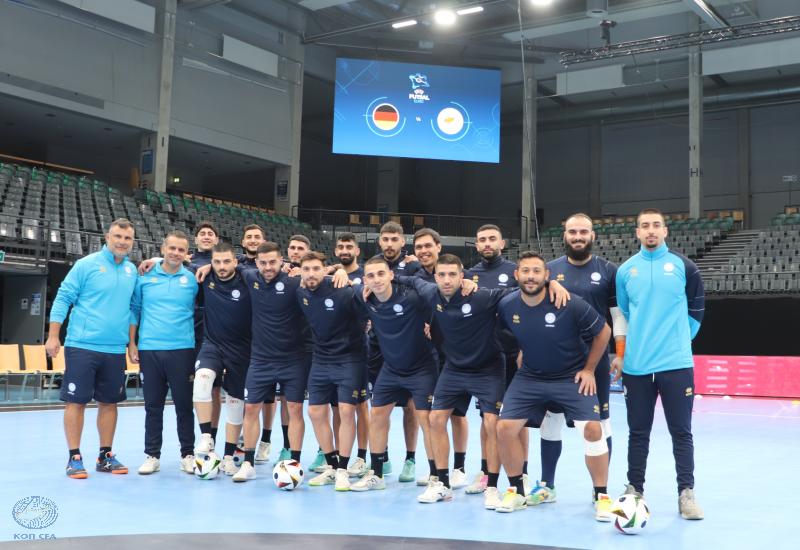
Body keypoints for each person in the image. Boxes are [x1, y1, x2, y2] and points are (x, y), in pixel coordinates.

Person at [396, 255, 569, 508]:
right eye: (442, 275)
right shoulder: (429, 291)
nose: (446, 280)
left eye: (452, 275)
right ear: (435, 278)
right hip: (454, 368)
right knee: (435, 419)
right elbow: (407, 279)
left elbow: (517, 289)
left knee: (492, 423)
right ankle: (442, 483)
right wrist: (389, 275)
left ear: (462, 276)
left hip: (488, 368)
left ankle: (491, 486)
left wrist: (550, 284)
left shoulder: (481, 296)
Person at [496, 252, 612, 517]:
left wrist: (589, 370)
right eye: (525, 271)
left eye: (537, 271)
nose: (531, 276)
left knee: (593, 429)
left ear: (547, 276)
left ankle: (601, 495)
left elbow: (603, 331)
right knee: (504, 428)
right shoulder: (507, 304)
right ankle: (516, 491)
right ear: (516, 275)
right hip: (530, 377)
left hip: (570, 377)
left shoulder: (568, 302)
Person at [615, 208, 705, 520]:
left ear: (665, 231)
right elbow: (624, 314)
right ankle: (634, 489)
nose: (650, 231)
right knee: (638, 432)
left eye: (656, 225)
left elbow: (697, 312)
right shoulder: (626, 271)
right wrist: (633, 349)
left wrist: (676, 343)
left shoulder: (684, 266)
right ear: (636, 233)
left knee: (681, 431)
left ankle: (686, 493)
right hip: (637, 368)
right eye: (644, 226)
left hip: (676, 365)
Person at [530, 213, 626, 505]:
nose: (578, 236)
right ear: (565, 235)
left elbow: (617, 316)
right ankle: (547, 485)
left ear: (593, 235)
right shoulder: (548, 271)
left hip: (594, 361)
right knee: (551, 422)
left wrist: (619, 354)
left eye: (583, 231)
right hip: (556, 360)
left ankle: (601, 491)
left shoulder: (609, 271)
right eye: (572, 231)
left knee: (599, 424)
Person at [46, 218, 138, 478]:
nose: (122, 241)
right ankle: (74, 457)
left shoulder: (131, 271)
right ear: (107, 237)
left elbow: (133, 309)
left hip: (114, 349)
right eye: (117, 236)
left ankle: (105, 455)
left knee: (110, 403)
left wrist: (131, 343)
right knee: (77, 401)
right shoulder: (86, 265)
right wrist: (53, 335)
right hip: (82, 346)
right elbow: (63, 298)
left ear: (132, 242)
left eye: (127, 238)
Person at [349, 257, 438, 492]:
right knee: (377, 413)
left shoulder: (411, 296)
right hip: (391, 368)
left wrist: (431, 324)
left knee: (426, 420)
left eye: (381, 274)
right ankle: (376, 473)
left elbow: (441, 303)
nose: (376, 279)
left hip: (422, 367)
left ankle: (436, 476)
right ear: (365, 279)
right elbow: (342, 286)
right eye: (371, 275)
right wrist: (337, 271)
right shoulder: (365, 297)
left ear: (390, 275)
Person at [231, 242, 312, 482]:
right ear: (256, 263)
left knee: (295, 409)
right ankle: (248, 462)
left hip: (293, 360)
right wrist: (158, 261)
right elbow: (218, 264)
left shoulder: (294, 281)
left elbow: (320, 277)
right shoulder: (250, 277)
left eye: (273, 262)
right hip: (261, 360)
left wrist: (338, 271)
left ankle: (294, 463)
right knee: (252, 408)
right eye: (263, 263)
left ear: (282, 261)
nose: (268, 267)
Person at [297, 252, 369, 492]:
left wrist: (345, 275)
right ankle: (331, 464)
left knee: (347, 411)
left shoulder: (342, 288)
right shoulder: (301, 292)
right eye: (305, 269)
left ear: (324, 269)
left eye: (315, 269)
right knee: (315, 412)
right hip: (321, 358)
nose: (310, 274)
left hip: (349, 357)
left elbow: (366, 311)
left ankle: (343, 471)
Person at [128, 231, 198, 475]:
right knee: (153, 406)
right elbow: (134, 311)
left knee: (184, 406)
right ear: (163, 249)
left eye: (181, 250)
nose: (176, 253)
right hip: (150, 350)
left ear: (186, 253)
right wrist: (132, 343)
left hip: (182, 350)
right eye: (172, 248)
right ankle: (152, 455)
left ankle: (188, 454)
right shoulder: (145, 277)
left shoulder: (191, 279)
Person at [464, 224, 525, 496]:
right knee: (487, 419)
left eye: (492, 239)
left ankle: (520, 472)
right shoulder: (469, 276)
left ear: (502, 243)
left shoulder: (515, 272)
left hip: (515, 356)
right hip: (485, 359)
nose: (487, 243)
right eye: (482, 240)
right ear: (476, 245)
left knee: (517, 419)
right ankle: (486, 472)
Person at [364, 222, 422, 482]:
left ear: (402, 242)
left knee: (411, 407)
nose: (389, 244)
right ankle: (382, 459)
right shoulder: (372, 266)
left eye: (394, 239)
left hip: (410, 346)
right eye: (385, 239)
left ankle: (410, 459)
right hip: (378, 347)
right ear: (380, 242)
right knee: (380, 407)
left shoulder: (414, 266)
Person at [413, 228, 470, 489]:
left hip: (455, 357)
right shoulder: (414, 277)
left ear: (438, 246)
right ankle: (436, 469)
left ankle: (459, 468)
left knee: (457, 414)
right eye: (419, 247)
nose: (424, 251)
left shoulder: (459, 277)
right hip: (427, 356)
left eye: (428, 246)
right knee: (432, 416)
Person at [192, 242, 252, 476]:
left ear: (235, 262)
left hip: (242, 349)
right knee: (202, 379)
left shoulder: (247, 279)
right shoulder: (205, 278)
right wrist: (153, 261)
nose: (221, 266)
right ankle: (207, 437)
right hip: (212, 344)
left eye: (227, 261)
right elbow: (174, 263)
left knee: (236, 404)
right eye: (216, 262)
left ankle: (228, 456)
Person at [334, 233, 371, 478]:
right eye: (340, 246)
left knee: (360, 406)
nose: (345, 250)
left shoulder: (364, 277)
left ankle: (361, 456)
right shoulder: (331, 275)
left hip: (358, 350)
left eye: (349, 246)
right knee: (337, 407)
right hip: (332, 352)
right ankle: (336, 453)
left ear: (357, 251)